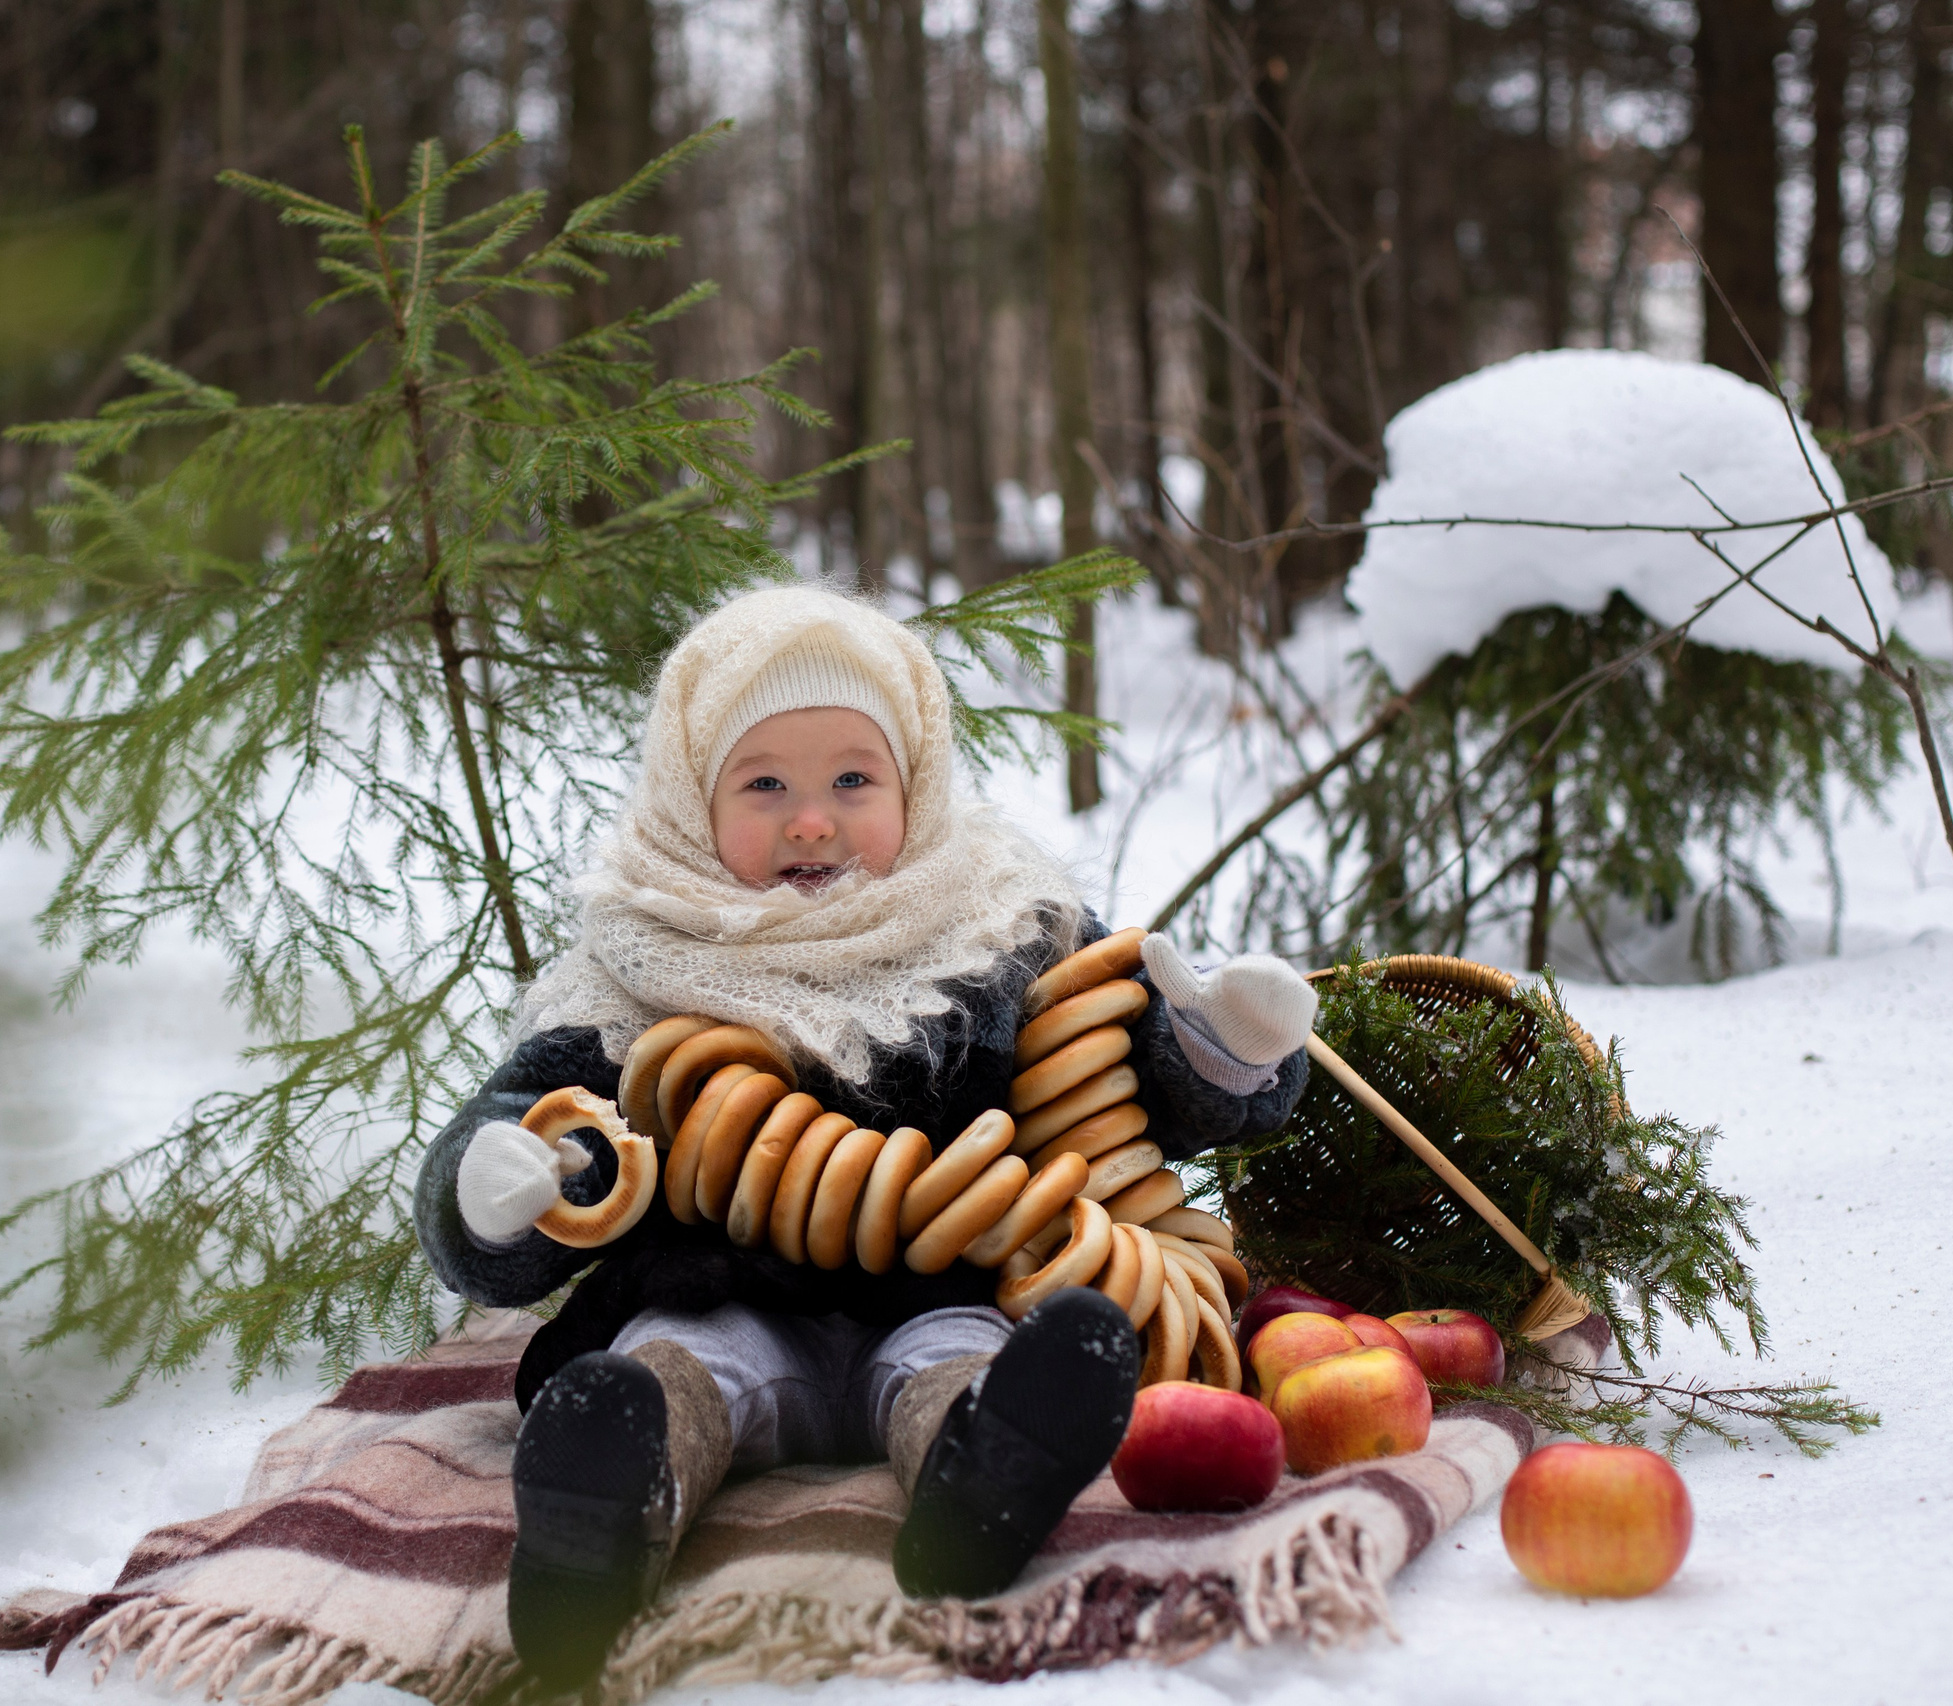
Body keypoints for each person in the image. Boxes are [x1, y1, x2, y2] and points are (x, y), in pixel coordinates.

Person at [412, 584, 1318, 1685]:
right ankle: (611, 1497)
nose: (812, 818)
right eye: (764, 784)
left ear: (915, 781)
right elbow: (543, 1126)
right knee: (674, 1367)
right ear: (688, 799)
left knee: (962, 1361)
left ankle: (983, 1479)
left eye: (852, 777)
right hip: (719, 1295)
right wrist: (498, 1184)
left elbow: (1128, 1097)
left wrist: (1226, 1051)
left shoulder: (1001, 928)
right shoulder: (637, 962)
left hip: (945, 1289)